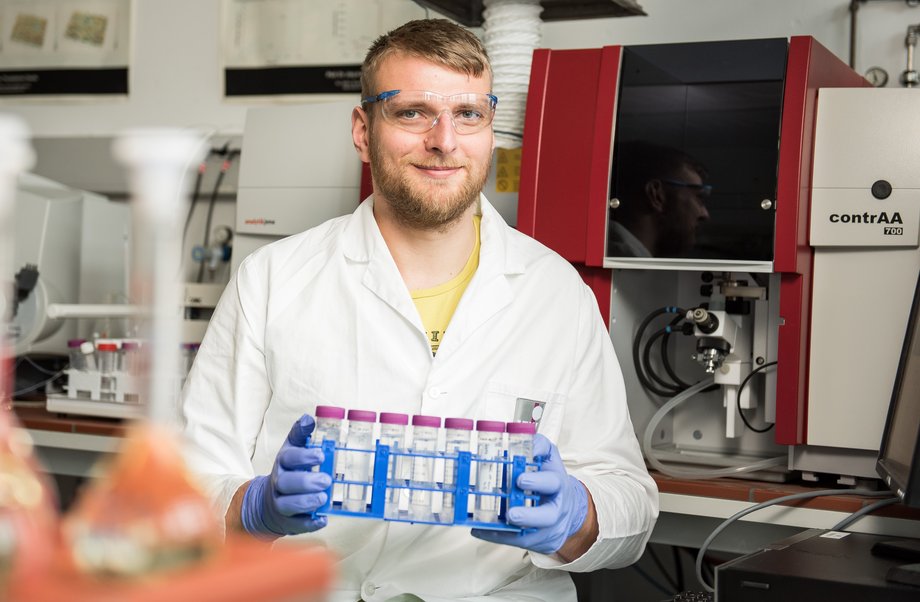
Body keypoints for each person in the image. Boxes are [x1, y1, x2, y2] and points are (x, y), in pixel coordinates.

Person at [180, 18, 658, 601]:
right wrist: (249, 508)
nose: (445, 141)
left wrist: (577, 515)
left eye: (469, 114)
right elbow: (183, 486)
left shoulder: (557, 294)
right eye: (412, 113)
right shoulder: (272, 281)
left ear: (489, 128)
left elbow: (629, 496)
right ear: (363, 129)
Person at [608, 140, 711, 258]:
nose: (705, 214)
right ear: (656, 195)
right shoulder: (625, 265)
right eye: (699, 197)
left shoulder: (613, 256)